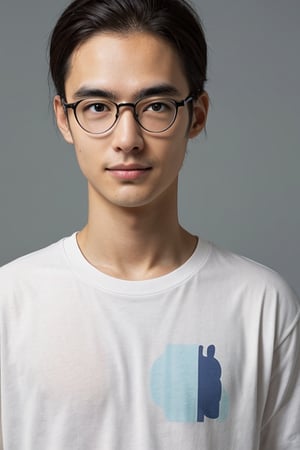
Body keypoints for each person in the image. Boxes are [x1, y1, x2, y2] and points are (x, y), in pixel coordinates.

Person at [0, 0, 299, 448]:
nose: (127, 139)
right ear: (65, 118)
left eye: (156, 105)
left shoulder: (260, 304)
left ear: (195, 116)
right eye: (97, 106)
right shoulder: (10, 303)